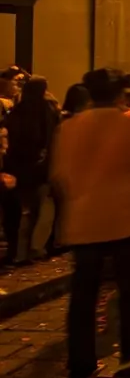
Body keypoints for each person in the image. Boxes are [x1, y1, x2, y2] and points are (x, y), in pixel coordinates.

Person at [53, 69, 130, 378]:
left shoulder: (69, 127)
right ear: (119, 95)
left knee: (83, 293)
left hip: (84, 218)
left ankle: (81, 359)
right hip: (125, 216)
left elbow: (61, 173)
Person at [1, 76, 60, 264]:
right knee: (37, 210)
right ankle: (32, 248)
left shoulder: (17, 111)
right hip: (38, 168)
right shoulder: (47, 111)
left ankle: (17, 251)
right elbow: (51, 138)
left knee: (17, 212)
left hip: (16, 167)